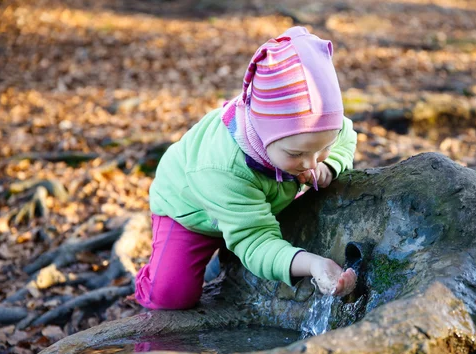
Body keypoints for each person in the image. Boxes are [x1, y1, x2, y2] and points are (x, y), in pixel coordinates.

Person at [134, 26, 358, 310]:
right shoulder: (223, 167)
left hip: (251, 206)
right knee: (171, 296)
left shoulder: (310, 134)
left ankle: (223, 260)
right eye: (297, 153)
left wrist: (332, 161)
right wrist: (312, 264)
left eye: (321, 148)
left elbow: (347, 136)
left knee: (248, 233)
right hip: (190, 212)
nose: (311, 163)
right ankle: (149, 280)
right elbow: (255, 241)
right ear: (263, 135)